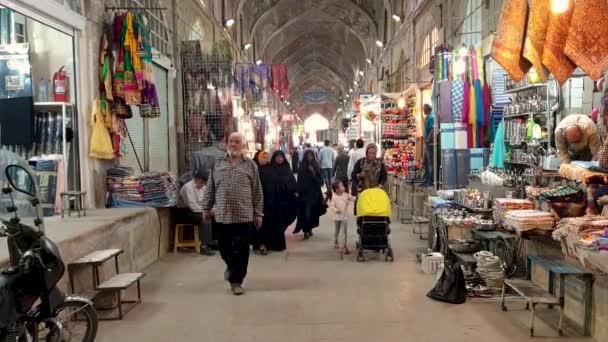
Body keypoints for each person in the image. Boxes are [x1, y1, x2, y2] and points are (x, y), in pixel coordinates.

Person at [202, 132, 263, 296]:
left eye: (237, 142)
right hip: (223, 214)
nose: (233, 144)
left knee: (242, 249)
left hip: (244, 215)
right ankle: (231, 267)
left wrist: (258, 214)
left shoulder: (250, 165)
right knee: (224, 247)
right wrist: (206, 208)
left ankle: (237, 281)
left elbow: (257, 191)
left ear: (243, 146)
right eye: (231, 141)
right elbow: (210, 188)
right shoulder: (218, 163)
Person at [254, 150, 297, 253]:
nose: (265, 160)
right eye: (263, 158)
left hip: (274, 201)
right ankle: (262, 244)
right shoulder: (256, 169)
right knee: (262, 224)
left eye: (266, 158)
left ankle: (269, 243)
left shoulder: (271, 169)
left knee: (272, 223)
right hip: (261, 202)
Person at [176, 171, 216, 256]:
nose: (203, 185)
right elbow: (193, 207)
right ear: (197, 179)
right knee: (206, 217)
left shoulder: (203, 187)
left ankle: (212, 242)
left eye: (204, 183)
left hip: (197, 211)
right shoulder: (188, 187)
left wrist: (213, 210)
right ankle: (204, 247)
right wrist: (207, 211)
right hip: (184, 213)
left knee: (217, 215)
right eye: (202, 183)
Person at [295, 149, 325, 239]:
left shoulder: (316, 167)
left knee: (312, 212)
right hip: (305, 194)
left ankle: (310, 228)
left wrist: (313, 172)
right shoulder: (302, 167)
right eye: (308, 156)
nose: (309, 158)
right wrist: (297, 191)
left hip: (314, 194)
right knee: (306, 212)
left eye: (311, 156)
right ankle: (306, 230)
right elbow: (299, 181)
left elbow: (320, 182)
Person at [328, 180, 355, 253]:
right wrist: (336, 210)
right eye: (341, 186)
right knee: (337, 231)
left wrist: (356, 198)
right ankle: (336, 241)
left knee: (344, 232)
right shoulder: (334, 197)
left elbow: (353, 198)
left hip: (344, 217)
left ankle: (345, 245)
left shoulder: (346, 195)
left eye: (343, 185)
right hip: (337, 218)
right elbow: (332, 206)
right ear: (337, 190)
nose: (343, 187)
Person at [421, 104, 436, 187]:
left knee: (430, 163)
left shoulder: (431, 117)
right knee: (426, 162)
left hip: (430, 144)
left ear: (427, 109)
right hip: (427, 144)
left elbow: (433, 129)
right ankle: (426, 179)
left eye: (424, 109)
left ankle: (430, 181)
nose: (423, 110)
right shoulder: (428, 117)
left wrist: (428, 139)